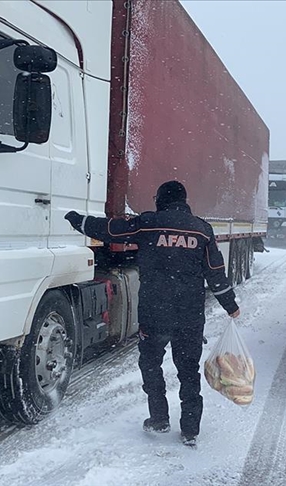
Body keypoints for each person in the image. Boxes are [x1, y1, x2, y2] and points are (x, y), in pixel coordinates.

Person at [64, 180, 240, 447]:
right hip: (190, 315)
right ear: (184, 200)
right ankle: (190, 429)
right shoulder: (202, 230)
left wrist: (78, 220)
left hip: (155, 313)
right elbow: (215, 272)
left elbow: (109, 230)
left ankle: (159, 418)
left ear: (162, 199)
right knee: (188, 371)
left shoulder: (149, 223)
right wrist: (230, 305)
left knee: (150, 364)